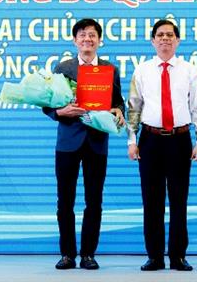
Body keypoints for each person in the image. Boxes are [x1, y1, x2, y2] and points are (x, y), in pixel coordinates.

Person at [43, 18, 125, 270]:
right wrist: (60, 112)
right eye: (82, 35)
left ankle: (88, 253)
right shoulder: (63, 67)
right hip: (68, 142)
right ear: (75, 40)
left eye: (92, 35)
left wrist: (119, 111)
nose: (87, 39)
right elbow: (47, 104)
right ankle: (67, 254)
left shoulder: (110, 69)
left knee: (94, 201)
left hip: (97, 142)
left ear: (99, 40)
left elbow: (118, 101)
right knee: (65, 201)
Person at [127, 19, 197, 272]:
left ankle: (178, 256)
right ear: (153, 41)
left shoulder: (189, 70)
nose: (165, 39)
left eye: (170, 35)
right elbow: (133, 108)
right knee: (151, 201)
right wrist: (132, 140)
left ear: (178, 40)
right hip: (149, 140)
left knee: (178, 200)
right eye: (160, 35)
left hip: (180, 140)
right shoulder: (141, 70)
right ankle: (154, 256)